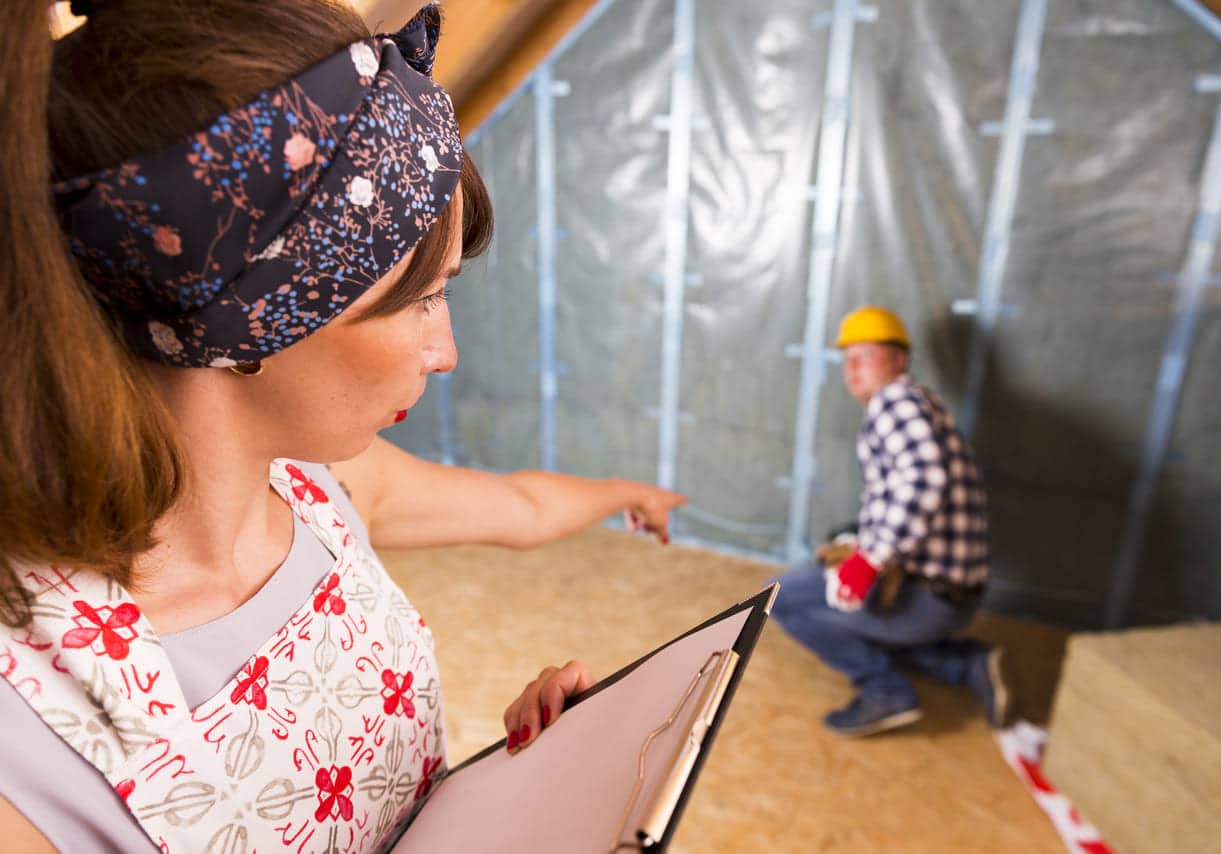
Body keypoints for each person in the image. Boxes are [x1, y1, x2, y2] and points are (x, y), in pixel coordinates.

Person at [0, 2, 684, 851]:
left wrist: (512, 796)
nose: (446, 353)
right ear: (250, 321)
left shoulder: (317, 491)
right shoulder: (23, 743)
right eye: (423, 300)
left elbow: (520, 505)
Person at [768, 306, 1009, 737]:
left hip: (928, 596)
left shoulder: (894, 403)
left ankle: (884, 690)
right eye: (848, 357)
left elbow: (923, 478)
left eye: (868, 355)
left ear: (899, 361)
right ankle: (965, 664)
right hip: (953, 592)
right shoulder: (920, 403)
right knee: (827, 583)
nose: (854, 367)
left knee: (781, 600)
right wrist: (858, 536)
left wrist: (870, 558)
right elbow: (905, 490)